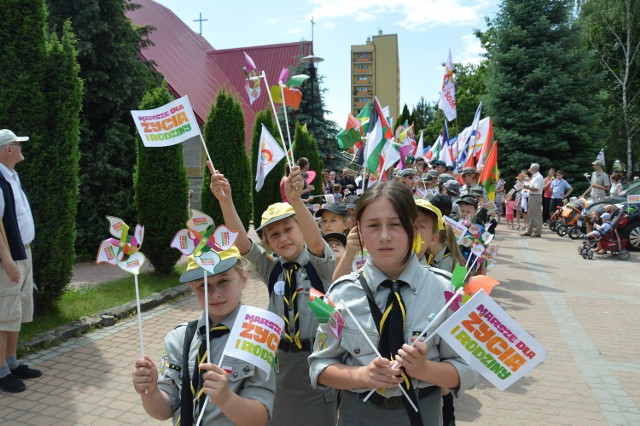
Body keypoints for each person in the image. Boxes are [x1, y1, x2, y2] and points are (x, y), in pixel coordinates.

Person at [308, 182, 477, 426]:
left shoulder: (447, 292)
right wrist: (363, 375)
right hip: (359, 414)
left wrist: (423, 368)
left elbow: (468, 371)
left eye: (395, 224)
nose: (384, 236)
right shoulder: (341, 294)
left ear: (413, 228)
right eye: (373, 226)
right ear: (360, 232)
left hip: (422, 413)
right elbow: (320, 366)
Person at [209, 162, 337, 425]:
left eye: (289, 229)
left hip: (317, 359)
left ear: (301, 228)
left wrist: (296, 201)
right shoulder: (272, 268)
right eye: (274, 235)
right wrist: (226, 200)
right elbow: (242, 243)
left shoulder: (320, 264)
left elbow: (315, 243)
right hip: (279, 363)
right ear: (267, 242)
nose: (283, 238)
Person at [131, 249, 276, 425]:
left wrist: (226, 399)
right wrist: (151, 391)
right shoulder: (178, 339)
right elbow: (164, 410)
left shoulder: (259, 335)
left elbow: (259, 418)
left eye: (224, 281)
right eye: (203, 285)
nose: (214, 293)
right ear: (192, 287)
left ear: (244, 278)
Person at [0, 129, 41, 393]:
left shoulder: (11, 176)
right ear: (7, 150)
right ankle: (1, 371)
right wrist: (8, 262)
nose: (21, 147)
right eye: (18, 143)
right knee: (3, 316)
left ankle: (12, 362)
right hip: (10, 259)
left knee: (15, 313)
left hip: (24, 252)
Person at [521, 163, 543, 238]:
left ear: (533, 169)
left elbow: (536, 189)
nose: (528, 170)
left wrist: (527, 187)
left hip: (535, 196)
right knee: (530, 214)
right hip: (532, 196)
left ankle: (537, 232)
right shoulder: (534, 176)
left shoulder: (538, 177)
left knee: (536, 215)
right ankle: (529, 231)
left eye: (530, 168)